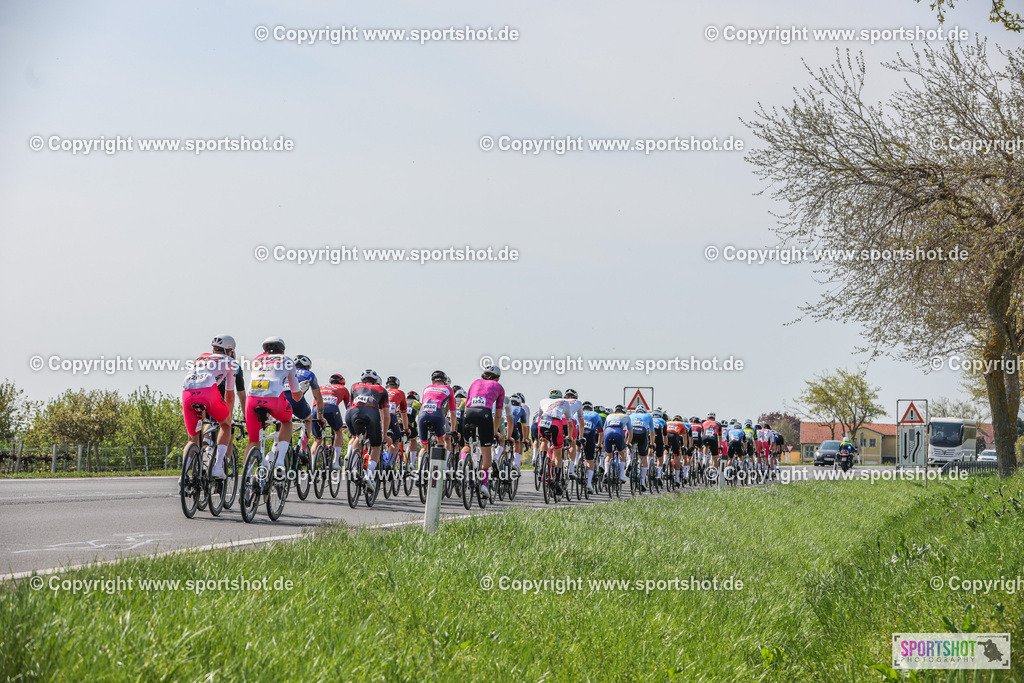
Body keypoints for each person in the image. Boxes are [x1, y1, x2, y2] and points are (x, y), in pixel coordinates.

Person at [181, 335, 239, 480]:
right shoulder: (230, 362)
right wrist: (228, 416)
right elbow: (229, 395)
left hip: (187, 393)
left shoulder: (200, 357)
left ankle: (183, 477)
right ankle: (218, 467)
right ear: (229, 351)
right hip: (208, 392)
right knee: (226, 425)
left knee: (193, 439)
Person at [245, 337, 301, 478]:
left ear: (264, 350)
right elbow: (296, 395)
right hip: (275, 399)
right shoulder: (287, 360)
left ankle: (246, 477)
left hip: (252, 399)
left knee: (253, 441)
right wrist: (301, 390)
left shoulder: (256, 360)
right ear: (282, 351)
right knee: (287, 422)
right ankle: (280, 461)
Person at [463, 365, 511, 498]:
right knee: (487, 456)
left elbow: (467, 403)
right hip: (485, 414)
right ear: (498, 378)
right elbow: (498, 414)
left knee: (467, 445)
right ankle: (484, 484)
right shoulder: (499, 387)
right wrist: (494, 432)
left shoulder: (474, 382)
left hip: (469, 413)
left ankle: (463, 461)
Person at [344, 369, 392, 494]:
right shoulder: (382, 389)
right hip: (371, 413)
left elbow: (349, 408)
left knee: (357, 438)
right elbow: (386, 416)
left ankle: (354, 467)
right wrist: (384, 434)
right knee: (376, 446)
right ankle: (368, 475)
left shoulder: (354, 386)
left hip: (354, 414)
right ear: (376, 381)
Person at [416, 371, 459, 469]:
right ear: (445, 381)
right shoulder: (448, 389)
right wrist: (452, 430)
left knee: (424, 446)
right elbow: (452, 413)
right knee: (441, 441)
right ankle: (442, 468)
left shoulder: (426, 388)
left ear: (432, 381)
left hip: (422, 415)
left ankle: (419, 472)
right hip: (437, 415)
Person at [290, 355, 324, 460]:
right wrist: (320, 417)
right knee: (308, 420)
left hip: (282, 399)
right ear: (308, 367)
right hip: (297, 400)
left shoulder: (287, 372)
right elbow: (318, 398)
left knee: (284, 422)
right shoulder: (310, 374)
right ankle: (303, 449)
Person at [317, 374, 350, 469]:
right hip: (332, 409)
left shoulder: (322, 387)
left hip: (316, 409)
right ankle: (336, 462)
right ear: (342, 382)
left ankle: (312, 464)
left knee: (317, 440)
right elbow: (348, 408)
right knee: (338, 432)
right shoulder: (343, 388)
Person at [601, 405, 632, 483]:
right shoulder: (626, 416)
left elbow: (603, 430)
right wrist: (627, 444)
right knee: (621, 453)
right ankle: (621, 476)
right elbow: (630, 433)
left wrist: (602, 441)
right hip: (618, 432)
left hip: (608, 432)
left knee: (608, 455)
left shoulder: (609, 416)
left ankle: (606, 473)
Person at [628, 405, 654, 492]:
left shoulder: (631, 415)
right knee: (643, 457)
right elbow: (652, 431)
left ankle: (630, 461)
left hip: (632, 432)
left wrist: (626, 442)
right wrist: (652, 443)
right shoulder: (648, 416)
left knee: (630, 446)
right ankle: (642, 481)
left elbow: (626, 430)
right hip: (642, 432)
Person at [580, 401, 604, 494]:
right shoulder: (596, 414)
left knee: (576, 446)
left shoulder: (579, 413)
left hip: (579, 431)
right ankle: (589, 484)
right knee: (590, 460)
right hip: (590, 433)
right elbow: (601, 432)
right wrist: (599, 444)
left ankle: (575, 462)